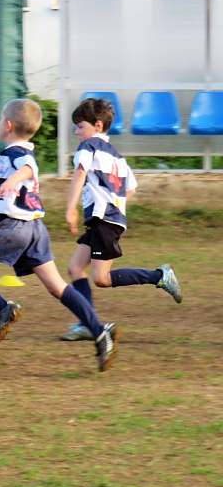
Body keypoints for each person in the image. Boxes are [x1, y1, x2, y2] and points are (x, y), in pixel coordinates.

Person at [0, 98, 119, 371]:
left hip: (10, 226)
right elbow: (21, 180)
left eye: (0, 120)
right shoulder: (18, 152)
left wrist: (11, 179)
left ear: (8, 125)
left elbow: (28, 167)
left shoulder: (15, 152)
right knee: (57, 287)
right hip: (35, 230)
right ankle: (100, 332)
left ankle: (3, 307)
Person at [60, 97, 182, 341]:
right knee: (75, 268)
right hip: (108, 219)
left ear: (97, 125)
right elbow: (131, 188)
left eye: (80, 126)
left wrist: (71, 208)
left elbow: (80, 173)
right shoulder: (117, 156)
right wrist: (114, 203)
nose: (76, 131)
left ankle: (159, 276)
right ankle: (87, 323)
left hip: (103, 220)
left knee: (102, 279)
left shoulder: (88, 147)